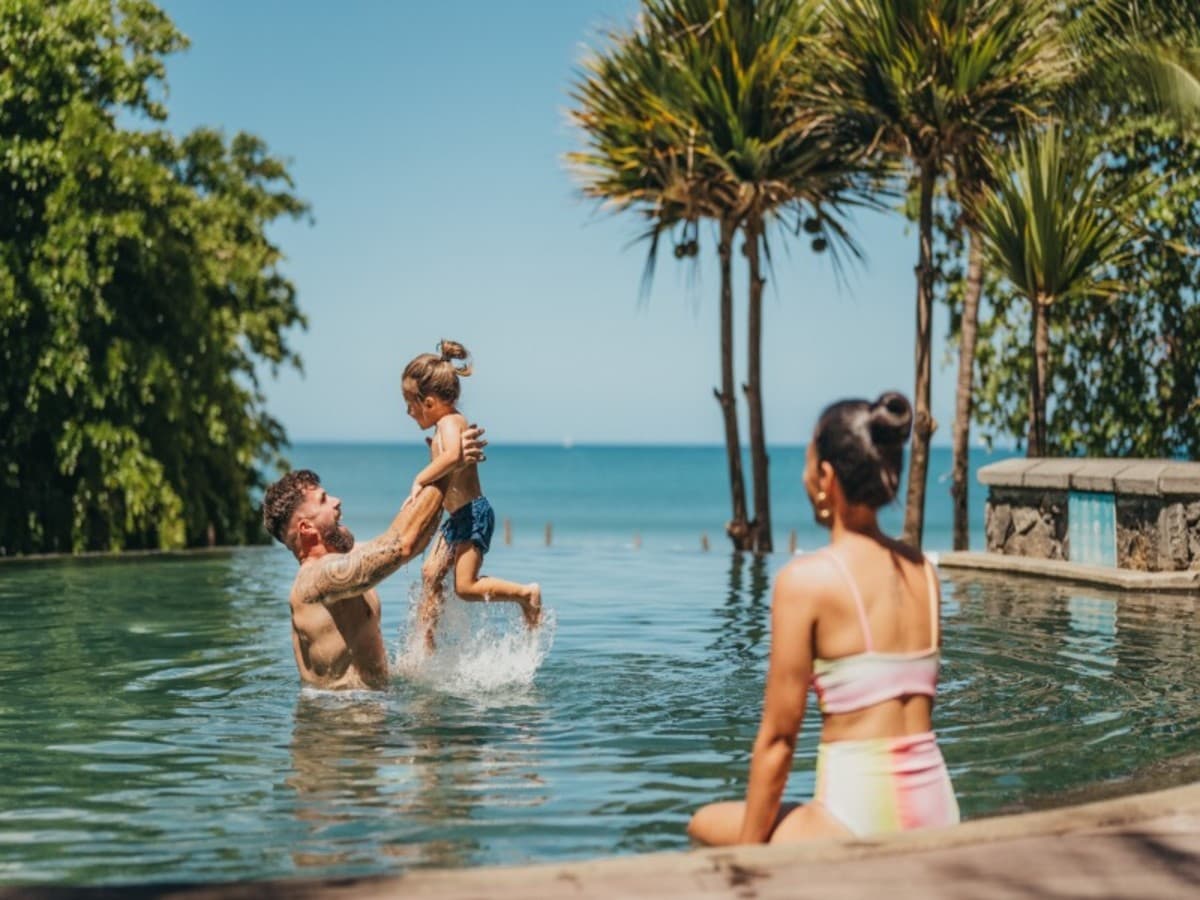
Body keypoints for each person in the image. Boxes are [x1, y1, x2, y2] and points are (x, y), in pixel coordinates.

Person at [688, 392, 960, 844]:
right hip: (938, 810)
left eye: (808, 463)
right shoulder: (923, 574)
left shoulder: (806, 582)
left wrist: (748, 860)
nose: (804, 475)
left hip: (857, 818)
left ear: (827, 479)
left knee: (704, 823)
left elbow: (779, 742)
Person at [262, 424, 486, 690]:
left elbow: (411, 542)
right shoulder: (315, 580)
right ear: (306, 529)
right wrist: (448, 465)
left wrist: (446, 467)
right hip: (339, 715)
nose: (337, 500)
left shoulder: (342, 562)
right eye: (323, 500)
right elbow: (400, 544)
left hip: (371, 707)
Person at [402, 340, 541, 648]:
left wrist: (420, 477)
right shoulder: (441, 428)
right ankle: (427, 644)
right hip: (457, 517)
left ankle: (525, 594)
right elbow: (450, 463)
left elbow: (454, 456)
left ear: (428, 402)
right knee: (429, 574)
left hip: (474, 513)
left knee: (465, 587)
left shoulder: (452, 422)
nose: (408, 411)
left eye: (410, 404)